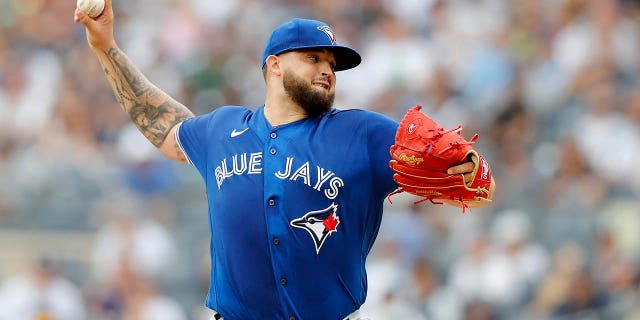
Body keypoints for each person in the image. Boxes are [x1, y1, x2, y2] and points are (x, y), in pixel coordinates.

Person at [75, 1, 495, 319]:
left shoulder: (363, 132)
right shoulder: (222, 129)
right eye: (313, 58)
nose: (327, 70)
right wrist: (105, 46)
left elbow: (470, 183)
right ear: (274, 65)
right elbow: (160, 121)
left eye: (331, 63)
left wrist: (473, 172)